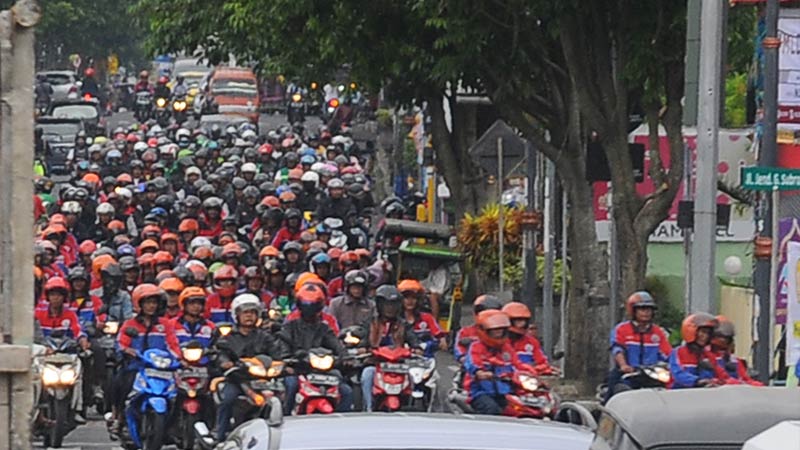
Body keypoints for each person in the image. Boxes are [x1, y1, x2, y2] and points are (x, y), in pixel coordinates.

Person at [110, 283, 180, 435]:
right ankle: (119, 418)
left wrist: (178, 357)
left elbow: (173, 344)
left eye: (154, 302)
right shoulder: (130, 324)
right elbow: (121, 343)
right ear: (139, 304)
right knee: (121, 383)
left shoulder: (165, 324)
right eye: (148, 302)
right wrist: (127, 350)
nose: (151, 306)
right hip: (137, 367)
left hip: (161, 369)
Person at [214, 294, 282, 440]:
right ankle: (219, 434)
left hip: (264, 379)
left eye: (252, 312)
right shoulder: (228, 337)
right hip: (237, 379)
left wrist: (284, 363)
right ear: (236, 315)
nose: (249, 316)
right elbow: (221, 353)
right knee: (228, 399)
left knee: (284, 394)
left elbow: (277, 353)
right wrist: (225, 362)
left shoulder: (265, 336)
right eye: (245, 312)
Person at [278, 283, 353, 413]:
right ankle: (286, 415)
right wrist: (288, 361)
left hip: (322, 371)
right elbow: (283, 348)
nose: (309, 309)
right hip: (298, 370)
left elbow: (336, 345)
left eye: (313, 304)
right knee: (291, 384)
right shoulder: (290, 327)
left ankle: (342, 423)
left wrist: (346, 358)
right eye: (306, 304)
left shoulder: (324, 328)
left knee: (346, 391)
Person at [463, 310, 534, 415]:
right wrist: (480, 372)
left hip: (504, 391)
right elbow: (473, 363)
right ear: (485, 331)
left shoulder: (506, 348)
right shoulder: (476, 347)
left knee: (521, 409)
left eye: (501, 330)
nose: (498, 333)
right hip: (480, 392)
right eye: (494, 331)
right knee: (492, 410)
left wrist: (532, 373)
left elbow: (517, 364)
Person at [361, 285, 419, 411]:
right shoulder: (370, 322)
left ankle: (412, 405)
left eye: (393, 305)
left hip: (399, 366)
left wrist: (417, 348)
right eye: (386, 305)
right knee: (367, 375)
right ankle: (369, 408)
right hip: (375, 364)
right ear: (379, 305)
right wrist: (363, 348)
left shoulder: (404, 324)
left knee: (414, 376)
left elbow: (413, 339)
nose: (390, 308)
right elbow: (362, 340)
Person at [605, 291, 671, 400]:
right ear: (633, 311)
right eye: (642, 309)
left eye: (649, 309)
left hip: (652, 373)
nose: (646, 313)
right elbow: (618, 349)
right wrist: (623, 365)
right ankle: (604, 411)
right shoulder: (622, 329)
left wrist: (673, 364)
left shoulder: (658, 332)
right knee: (614, 388)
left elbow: (667, 353)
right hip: (629, 372)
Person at [669, 313, 732, 389]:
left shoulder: (708, 355)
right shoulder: (678, 352)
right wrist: (697, 381)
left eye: (708, 333)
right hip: (679, 395)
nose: (705, 336)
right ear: (692, 331)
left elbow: (723, 376)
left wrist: (740, 384)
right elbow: (678, 374)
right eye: (703, 332)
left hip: (704, 395)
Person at [502, 302, 557, 375]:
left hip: (527, 378)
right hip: (505, 378)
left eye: (524, 321)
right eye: (517, 321)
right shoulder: (498, 342)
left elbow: (543, 362)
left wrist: (533, 369)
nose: (521, 324)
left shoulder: (531, 342)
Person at [710, 316, 763, 386]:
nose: (724, 339)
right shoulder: (706, 357)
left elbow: (745, 378)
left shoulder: (734, 360)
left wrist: (759, 387)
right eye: (720, 336)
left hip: (735, 391)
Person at [399, 279, 447, 357]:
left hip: (425, 360)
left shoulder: (427, 318)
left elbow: (439, 336)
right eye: (406, 298)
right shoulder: (395, 320)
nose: (410, 301)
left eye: (413, 298)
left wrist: (442, 340)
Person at [453, 294, 503, 362]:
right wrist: (462, 357)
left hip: (498, 365)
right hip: (473, 365)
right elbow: (458, 347)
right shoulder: (465, 332)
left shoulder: (502, 331)